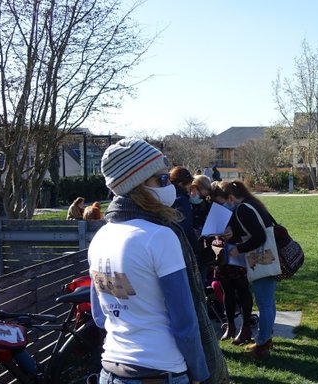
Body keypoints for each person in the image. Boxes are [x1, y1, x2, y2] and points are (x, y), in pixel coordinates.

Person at [88, 138, 229, 384]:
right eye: (162, 179)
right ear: (137, 185)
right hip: (159, 370)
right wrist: (199, 373)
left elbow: (100, 315)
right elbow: (184, 321)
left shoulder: (101, 236)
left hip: (111, 369)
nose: (169, 186)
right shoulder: (160, 237)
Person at [213, 181, 276, 359]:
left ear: (231, 198)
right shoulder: (252, 204)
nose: (224, 206)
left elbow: (259, 237)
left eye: (223, 202)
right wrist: (236, 235)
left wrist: (238, 249)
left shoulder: (243, 209)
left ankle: (262, 343)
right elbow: (257, 230)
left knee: (264, 303)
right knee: (269, 302)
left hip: (261, 259)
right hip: (269, 258)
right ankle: (266, 339)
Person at [170, 166, 202, 259]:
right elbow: (186, 227)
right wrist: (196, 249)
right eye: (188, 186)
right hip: (183, 247)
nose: (190, 189)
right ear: (180, 184)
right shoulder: (182, 200)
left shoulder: (167, 197)